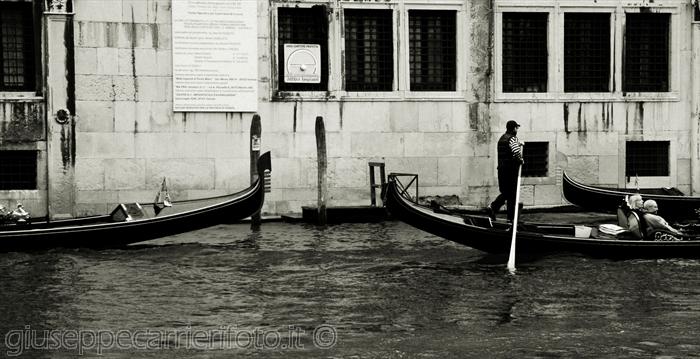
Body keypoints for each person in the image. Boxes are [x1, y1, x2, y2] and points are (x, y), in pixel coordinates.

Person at [486, 120, 523, 222]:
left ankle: (493, 207)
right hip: (510, 172)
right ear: (514, 128)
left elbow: (508, 149)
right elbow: (516, 152)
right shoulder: (513, 139)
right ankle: (510, 219)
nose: (517, 130)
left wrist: (518, 143)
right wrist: (521, 160)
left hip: (502, 171)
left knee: (506, 193)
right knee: (512, 195)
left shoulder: (502, 139)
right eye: (517, 128)